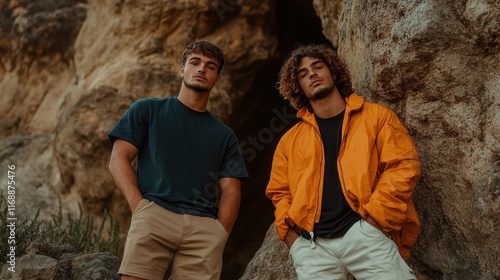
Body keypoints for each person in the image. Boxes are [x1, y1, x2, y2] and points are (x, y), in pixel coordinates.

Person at [266, 44, 421, 280]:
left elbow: (403, 167)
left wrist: (374, 222)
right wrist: (293, 240)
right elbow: (279, 192)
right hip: (313, 248)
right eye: (303, 74)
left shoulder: (377, 117)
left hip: (365, 234)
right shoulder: (289, 141)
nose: (312, 74)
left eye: (318, 67)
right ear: (298, 87)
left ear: (333, 72)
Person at [108, 40, 249, 280]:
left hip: (203, 228)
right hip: (155, 214)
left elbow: (232, 191)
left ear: (217, 78)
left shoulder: (225, 136)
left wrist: (219, 232)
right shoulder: (147, 110)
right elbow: (118, 159)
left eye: (210, 66)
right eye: (195, 63)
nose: (202, 69)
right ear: (182, 69)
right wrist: (139, 207)